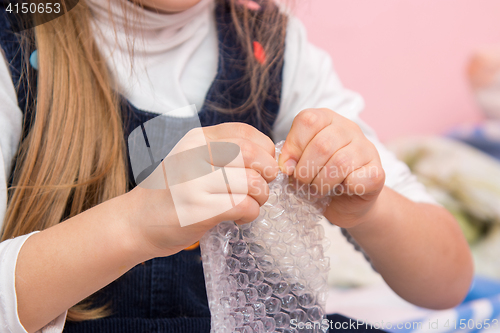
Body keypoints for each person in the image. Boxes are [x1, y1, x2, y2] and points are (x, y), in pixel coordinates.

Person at [0, 0, 473, 332]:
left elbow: (447, 283)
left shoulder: (274, 44)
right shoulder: (17, 43)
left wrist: (369, 211)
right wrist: (137, 222)